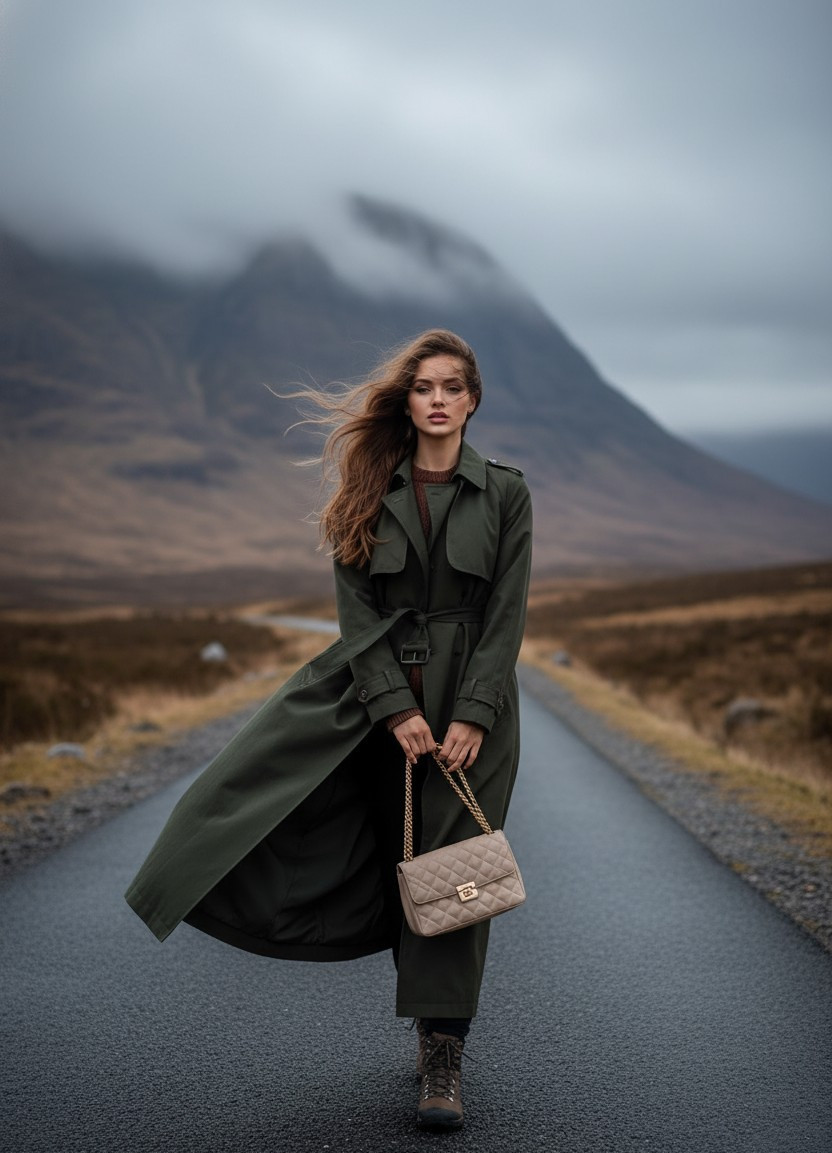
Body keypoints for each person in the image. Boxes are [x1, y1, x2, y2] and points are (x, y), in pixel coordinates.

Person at [124, 329, 532, 1130]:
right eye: (424, 387)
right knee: (377, 849)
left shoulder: (507, 493)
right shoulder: (367, 487)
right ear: (407, 400)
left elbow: (506, 612)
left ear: (473, 400)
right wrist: (395, 708)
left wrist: (474, 712)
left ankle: (443, 1055)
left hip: (472, 712)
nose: (438, 399)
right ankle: (186, 884)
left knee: (456, 875)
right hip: (377, 703)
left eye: (452, 386)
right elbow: (357, 610)